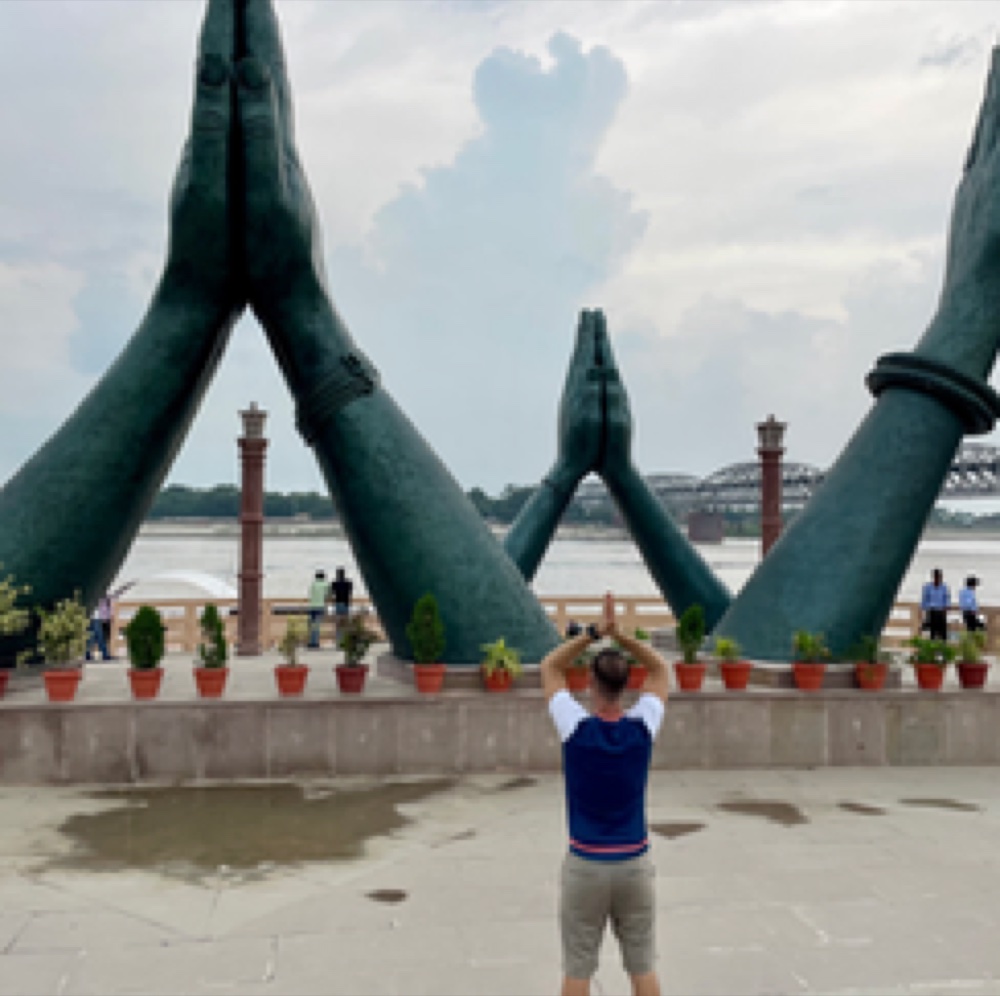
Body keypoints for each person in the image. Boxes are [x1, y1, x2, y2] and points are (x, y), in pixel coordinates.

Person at [541, 592, 668, 996]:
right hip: (634, 864)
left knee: (578, 970)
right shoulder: (642, 727)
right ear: (628, 684)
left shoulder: (575, 727)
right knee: (643, 966)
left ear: (592, 685)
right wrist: (624, 638)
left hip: (585, 864)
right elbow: (661, 668)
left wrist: (595, 633)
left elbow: (550, 667)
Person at [921, 568, 951, 641]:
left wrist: (946, 606)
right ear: (933, 577)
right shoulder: (928, 587)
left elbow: (946, 598)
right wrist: (927, 607)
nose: (938, 578)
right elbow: (925, 599)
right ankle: (933, 646)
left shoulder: (944, 587)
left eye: (939, 576)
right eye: (936, 576)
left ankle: (943, 646)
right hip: (932, 611)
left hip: (941, 611)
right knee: (932, 631)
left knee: (943, 632)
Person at [307, 570, 328, 649]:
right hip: (320, 606)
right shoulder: (326, 584)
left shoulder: (313, 584)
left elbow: (310, 594)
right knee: (317, 625)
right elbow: (327, 594)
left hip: (312, 606)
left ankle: (311, 642)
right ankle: (315, 643)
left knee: (312, 625)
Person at [330, 567, 353, 639]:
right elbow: (350, 594)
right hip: (346, 603)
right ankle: (345, 639)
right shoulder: (348, 583)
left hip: (338, 603)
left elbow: (332, 594)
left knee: (338, 623)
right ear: (344, 574)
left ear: (337, 574)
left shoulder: (334, 583)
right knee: (345, 623)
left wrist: (332, 603)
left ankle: (339, 640)